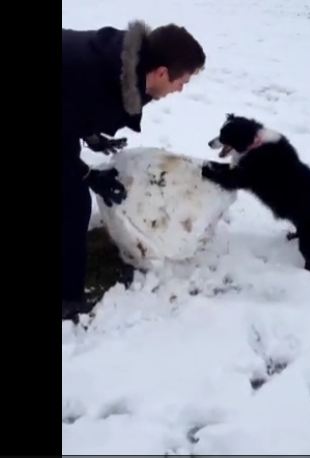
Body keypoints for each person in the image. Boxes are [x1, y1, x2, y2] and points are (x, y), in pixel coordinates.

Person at [61, 20, 206, 321]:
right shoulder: (99, 78)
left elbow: (70, 99)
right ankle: (68, 299)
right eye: (183, 81)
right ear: (162, 72)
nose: (180, 89)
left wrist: (89, 133)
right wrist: (88, 175)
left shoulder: (127, 63)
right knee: (73, 203)